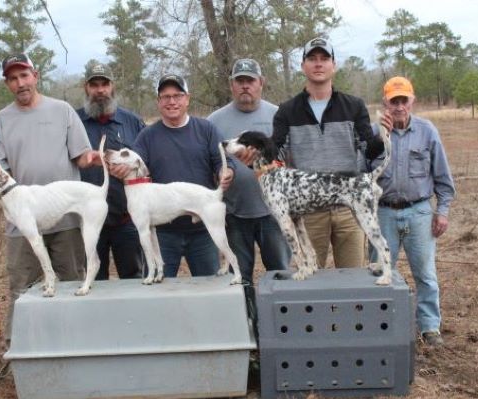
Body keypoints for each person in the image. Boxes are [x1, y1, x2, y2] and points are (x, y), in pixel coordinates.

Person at [0, 53, 102, 343]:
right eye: (13, 78)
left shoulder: (62, 111)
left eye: (24, 75)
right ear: (7, 84)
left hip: (64, 219)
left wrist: (97, 158)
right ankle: (21, 351)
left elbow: (81, 155)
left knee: (73, 282)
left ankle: (77, 344)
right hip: (22, 225)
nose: (20, 83)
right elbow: (0, 174)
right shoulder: (1, 121)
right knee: (21, 288)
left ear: (35, 76)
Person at [272, 37, 384, 269]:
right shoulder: (287, 110)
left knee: (353, 277)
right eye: (312, 59)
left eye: (324, 58)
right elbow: (277, 153)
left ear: (334, 65)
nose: (318, 64)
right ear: (303, 66)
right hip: (308, 211)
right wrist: (255, 156)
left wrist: (384, 138)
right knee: (311, 279)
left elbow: (370, 150)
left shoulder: (354, 106)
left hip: (349, 207)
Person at [115, 74, 234, 278]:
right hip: (163, 233)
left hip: (202, 229)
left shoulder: (206, 129)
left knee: (209, 289)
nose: (172, 101)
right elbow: (134, 166)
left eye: (177, 95)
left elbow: (222, 161)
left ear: (187, 98)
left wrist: (227, 171)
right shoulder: (147, 136)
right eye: (166, 96)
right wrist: (120, 170)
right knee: (159, 295)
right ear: (159, 102)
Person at [370, 76, 456, 346]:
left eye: (403, 100)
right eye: (393, 101)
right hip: (383, 212)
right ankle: (379, 326)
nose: (398, 106)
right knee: (380, 273)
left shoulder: (427, 131)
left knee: (426, 273)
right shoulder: (373, 133)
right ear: (385, 102)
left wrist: (442, 211)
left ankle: (430, 327)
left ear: (412, 100)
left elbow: (442, 176)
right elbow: (361, 174)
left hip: (419, 212)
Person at [207, 58, 291, 285]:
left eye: (250, 80)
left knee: (281, 274)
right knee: (239, 278)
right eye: (240, 81)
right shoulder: (214, 122)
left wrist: (263, 165)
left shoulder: (280, 115)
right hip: (234, 215)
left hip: (273, 214)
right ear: (231, 85)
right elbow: (210, 165)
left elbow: (291, 161)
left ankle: (276, 319)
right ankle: (246, 319)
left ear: (261, 82)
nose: (245, 86)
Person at [78, 62, 145, 280]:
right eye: (94, 84)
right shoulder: (74, 122)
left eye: (104, 84)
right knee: (93, 280)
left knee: (134, 278)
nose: (100, 90)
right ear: (85, 88)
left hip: (127, 219)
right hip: (87, 219)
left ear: (112, 86)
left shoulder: (132, 122)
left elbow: (146, 163)